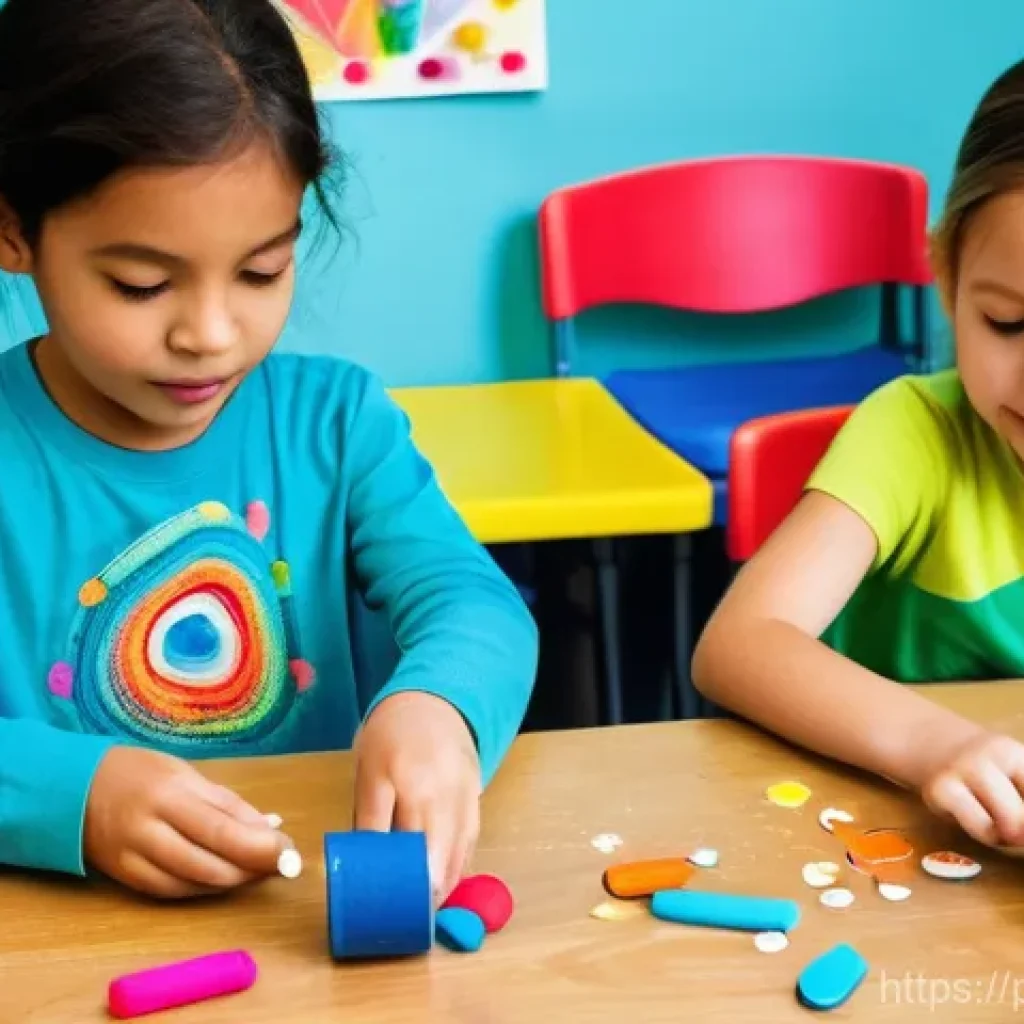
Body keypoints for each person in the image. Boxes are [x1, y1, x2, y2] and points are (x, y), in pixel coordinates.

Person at [0, 0, 537, 902]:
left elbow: (471, 600)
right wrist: (69, 794)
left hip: (302, 940)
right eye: (142, 284)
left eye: (262, 271)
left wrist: (436, 706)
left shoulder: (337, 422)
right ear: (14, 230)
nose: (211, 335)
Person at [693, 58, 1024, 854]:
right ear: (946, 281)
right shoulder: (913, 432)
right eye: (1010, 325)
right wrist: (934, 746)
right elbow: (736, 646)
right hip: (873, 835)